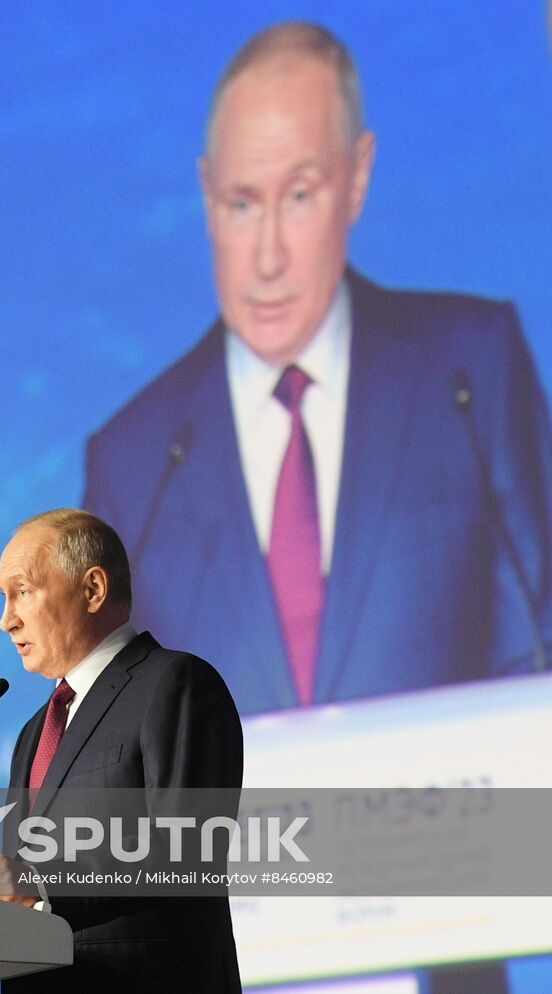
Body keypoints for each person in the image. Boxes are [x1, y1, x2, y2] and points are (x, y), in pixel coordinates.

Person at [84, 22, 552, 716]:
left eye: (299, 195)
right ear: (206, 196)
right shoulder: (132, 465)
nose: (267, 257)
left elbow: (538, 654)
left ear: (357, 178)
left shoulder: (470, 374)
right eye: (242, 204)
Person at [0, 508, 244, 993]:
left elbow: (190, 846)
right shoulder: (34, 732)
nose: (6, 620)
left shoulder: (174, 684)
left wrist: (40, 879)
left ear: (92, 590)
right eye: (3, 598)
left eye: (21, 591)